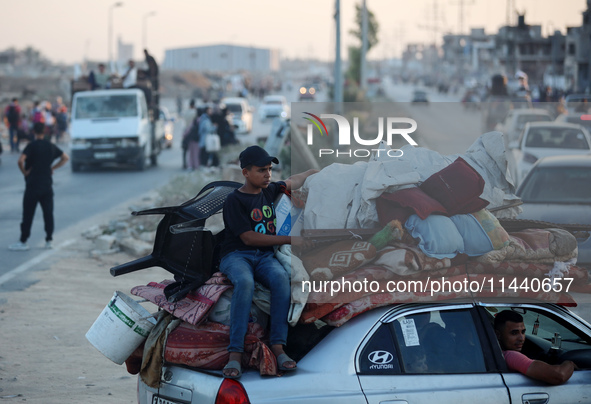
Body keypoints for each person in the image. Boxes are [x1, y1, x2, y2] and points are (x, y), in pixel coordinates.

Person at [219, 145, 318, 378]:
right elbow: (248, 238)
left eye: (270, 169)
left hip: (263, 256)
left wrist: (314, 173)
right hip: (237, 255)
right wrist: (291, 240)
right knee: (244, 283)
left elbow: (293, 180)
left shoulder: (268, 190)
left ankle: (278, 347)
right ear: (245, 172)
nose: (267, 174)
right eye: (261, 170)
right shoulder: (234, 201)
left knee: (282, 279)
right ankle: (235, 354)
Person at [9, 122, 69, 251]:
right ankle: (49, 240)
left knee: (28, 214)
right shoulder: (50, 146)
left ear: (34, 132)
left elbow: (20, 160)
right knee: (48, 213)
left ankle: (23, 241)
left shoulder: (31, 146)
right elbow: (65, 158)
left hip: (32, 185)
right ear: (45, 132)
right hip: (46, 185)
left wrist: (25, 172)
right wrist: (53, 168)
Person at [494, 310, 576, 385]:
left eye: (523, 332)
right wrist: (570, 363)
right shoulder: (510, 356)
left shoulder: (493, 352)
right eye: (514, 333)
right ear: (498, 335)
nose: (521, 338)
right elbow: (558, 375)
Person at [181, 99, 197, 169]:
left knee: (185, 149)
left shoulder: (186, 112)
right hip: (192, 131)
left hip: (186, 131)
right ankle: (192, 164)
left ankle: (184, 163)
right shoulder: (195, 112)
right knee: (193, 150)